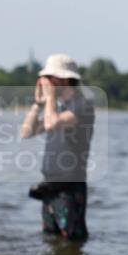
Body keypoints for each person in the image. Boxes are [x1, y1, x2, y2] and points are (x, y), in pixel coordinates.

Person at [20, 54, 95, 240]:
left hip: (70, 186)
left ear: (64, 79)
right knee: (51, 239)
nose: (46, 83)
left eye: (50, 79)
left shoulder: (82, 105)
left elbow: (52, 123)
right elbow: (26, 133)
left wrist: (51, 97)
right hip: (50, 185)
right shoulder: (57, 108)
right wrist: (38, 104)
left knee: (71, 240)